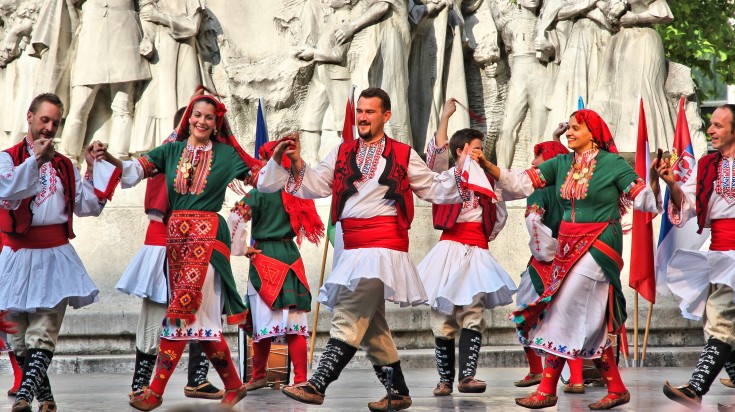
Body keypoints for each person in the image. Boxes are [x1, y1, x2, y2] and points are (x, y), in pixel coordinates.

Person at [258, 87, 469, 411]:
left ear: (386, 116)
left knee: (350, 312)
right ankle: (397, 391)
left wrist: (466, 170)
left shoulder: (402, 153)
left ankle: (318, 384)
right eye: (360, 111)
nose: (363, 117)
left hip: (383, 249)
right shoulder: (342, 152)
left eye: (370, 112)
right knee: (372, 327)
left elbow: (434, 187)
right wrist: (298, 161)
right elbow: (312, 185)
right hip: (355, 251)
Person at [474, 108, 661, 409]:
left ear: (593, 133)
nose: (569, 132)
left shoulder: (613, 164)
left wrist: (654, 179)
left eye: (576, 128)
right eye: (569, 128)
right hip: (566, 247)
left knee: (561, 309)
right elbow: (521, 182)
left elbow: (645, 200)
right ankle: (616, 388)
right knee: (587, 320)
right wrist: (488, 165)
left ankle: (547, 388)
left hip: (600, 244)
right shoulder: (560, 163)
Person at [101, 94, 259, 411]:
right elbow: (136, 169)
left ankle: (155, 392)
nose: (201, 121)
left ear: (217, 124)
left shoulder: (227, 155)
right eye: (197, 115)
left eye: (209, 117)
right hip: (178, 244)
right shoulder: (171, 151)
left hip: (209, 240)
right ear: (188, 118)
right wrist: (109, 158)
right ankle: (233, 386)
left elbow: (260, 178)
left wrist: (284, 163)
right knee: (201, 322)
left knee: (181, 313)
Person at [0, 93, 110, 412]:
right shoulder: (7, 159)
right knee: (19, 339)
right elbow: (9, 190)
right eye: (44, 120)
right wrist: (35, 160)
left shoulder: (65, 165)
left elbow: (88, 206)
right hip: (17, 256)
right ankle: (46, 398)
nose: (49, 127)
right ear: (30, 117)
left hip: (55, 256)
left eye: (55, 122)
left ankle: (24, 397)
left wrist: (92, 170)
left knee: (44, 332)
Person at [117, 105, 223, 400]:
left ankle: (197, 378)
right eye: (195, 119)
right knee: (156, 316)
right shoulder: (170, 156)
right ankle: (141, 383)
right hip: (166, 244)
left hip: (197, 245)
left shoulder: (203, 156)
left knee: (203, 310)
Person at [418, 98, 517, 396]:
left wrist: (489, 233)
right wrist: (445, 118)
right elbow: (433, 161)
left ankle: (467, 377)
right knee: (442, 315)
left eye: (481, 148)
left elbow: (499, 213)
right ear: (460, 151)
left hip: (475, 249)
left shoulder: (489, 180)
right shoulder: (446, 178)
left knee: (473, 312)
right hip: (448, 248)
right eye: (475, 148)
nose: (480, 153)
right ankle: (445, 380)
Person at [228, 139, 324, 391]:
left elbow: (234, 217)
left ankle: (258, 376)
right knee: (294, 323)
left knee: (262, 323)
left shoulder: (258, 192)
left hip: (264, 255)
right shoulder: (295, 190)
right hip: (290, 256)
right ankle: (300, 379)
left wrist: (241, 248)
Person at [657, 104, 735, 410]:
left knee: (720, 315)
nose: (711, 131)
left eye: (718, 125)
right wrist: (671, 183)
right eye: (710, 125)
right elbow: (687, 204)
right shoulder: (706, 165)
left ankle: (696, 388)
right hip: (719, 252)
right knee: (715, 320)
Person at [514, 136, 587, 395]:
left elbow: (534, 223)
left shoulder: (540, 190)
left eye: (539, 156)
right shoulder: (575, 187)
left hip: (546, 262)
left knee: (524, 311)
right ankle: (576, 379)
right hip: (577, 259)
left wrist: (547, 253)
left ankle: (536, 370)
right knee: (571, 318)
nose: (534, 162)